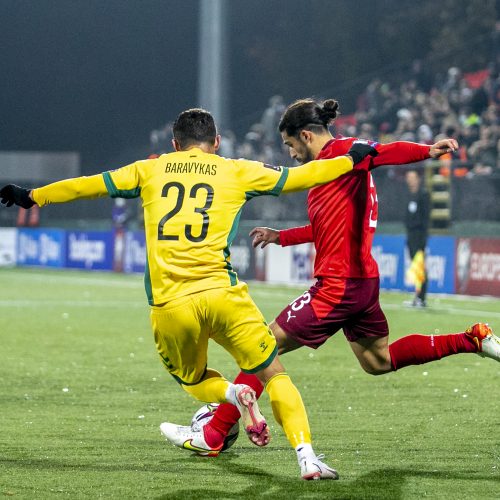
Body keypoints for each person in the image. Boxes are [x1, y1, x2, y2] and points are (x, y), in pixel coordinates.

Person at [0, 107, 379, 481]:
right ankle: (307, 458)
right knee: (272, 372)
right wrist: (350, 161)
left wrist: (33, 196)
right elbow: (303, 176)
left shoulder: (149, 169)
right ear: (216, 142)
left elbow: (86, 185)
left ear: (174, 144)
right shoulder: (237, 170)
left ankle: (232, 397)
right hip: (224, 296)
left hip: (171, 305)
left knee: (193, 380)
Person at [170, 99, 500, 467]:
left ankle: (214, 432)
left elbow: (384, 152)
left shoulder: (345, 153)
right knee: (378, 360)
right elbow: (325, 226)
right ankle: (471, 339)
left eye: (290, 145)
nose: (291, 153)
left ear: (305, 135)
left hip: (337, 286)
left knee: (262, 347)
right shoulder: (329, 171)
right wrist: (283, 237)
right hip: (361, 283)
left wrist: (428, 150)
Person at [404, 169, 430, 307]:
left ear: (418, 179)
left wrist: (423, 239)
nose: (410, 180)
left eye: (413, 177)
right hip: (410, 235)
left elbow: (426, 219)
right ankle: (417, 296)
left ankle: (422, 298)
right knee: (415, 267)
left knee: (420, 267)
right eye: (408, 177)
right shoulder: (409, 195)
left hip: (419, 236)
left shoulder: (423, 195)